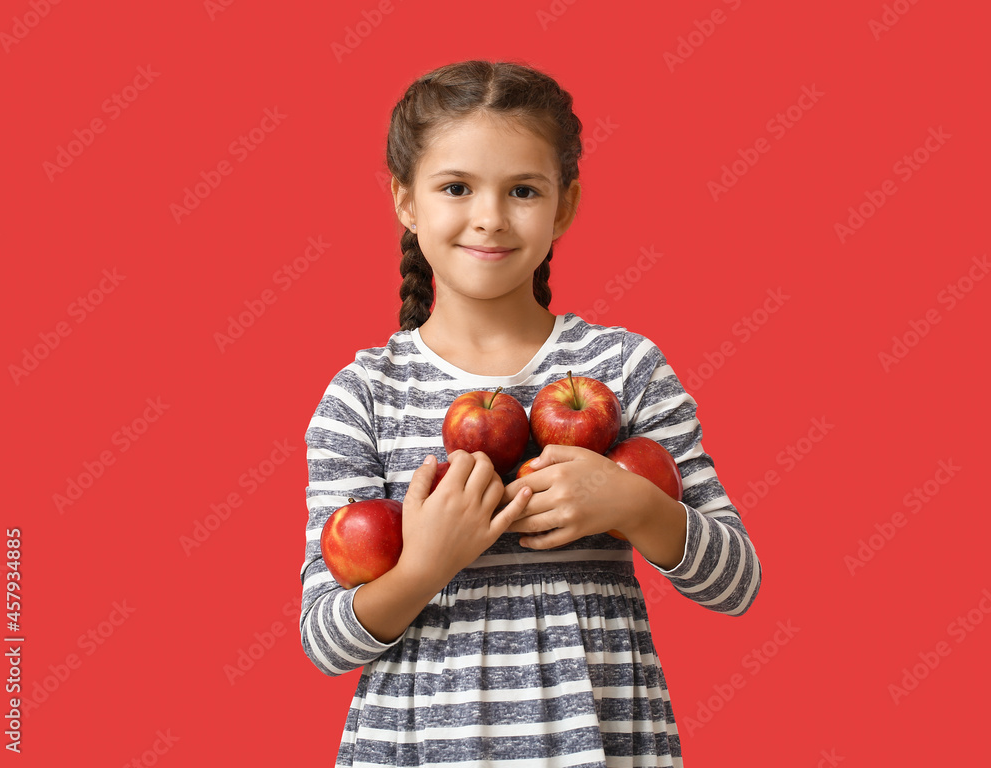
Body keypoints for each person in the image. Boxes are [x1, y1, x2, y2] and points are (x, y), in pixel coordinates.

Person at [299, 59, 762, 767]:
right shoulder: (363, 395)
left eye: (522, 190)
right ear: (405, 200)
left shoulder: (626, 369)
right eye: (456, 187)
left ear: (564, 206)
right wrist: (425, 566)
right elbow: (325, 640)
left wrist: (635, 505)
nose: (489, 216)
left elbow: (735, 582)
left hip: (600, 747)